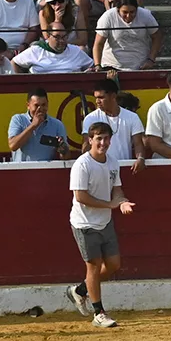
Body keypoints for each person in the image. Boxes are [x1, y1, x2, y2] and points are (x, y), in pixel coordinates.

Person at [64, 122, 131, 328]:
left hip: (104, 221)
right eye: (98, 138)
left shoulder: (112, 162)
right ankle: (98, 312)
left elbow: (117, 189)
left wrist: (121, 201)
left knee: (113, 265)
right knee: (93, 267)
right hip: (84, 223)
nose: (103, 142)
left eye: (106, 138)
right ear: (90, 140)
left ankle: (80, 291)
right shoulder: (82, 164)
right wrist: (109, 205)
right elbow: (80, 196)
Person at [81, 74, 143, 166]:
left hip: (123, 167)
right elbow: (86, 145)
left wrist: (140, 158)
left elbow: (138, 143)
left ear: (113, 96)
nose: (97, 101)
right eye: (96, 98)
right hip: (99, 168)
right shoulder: (90, 118)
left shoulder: (132, 117)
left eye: (101, 97)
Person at [93, 0, 158, 70]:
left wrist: (151, 60)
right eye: (125, 12)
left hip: (140, 67)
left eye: (132, 12)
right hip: (111, 66)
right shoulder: (108, 17)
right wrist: (97, 65)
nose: (128, 16)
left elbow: (157, 37)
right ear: (117, 9)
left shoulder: (146, 15)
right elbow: (98, 43)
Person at [8, 88, 71, 161]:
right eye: (36, 105)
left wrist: (63, 149)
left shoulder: (57, 125)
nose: (40, 109)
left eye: (43, 105)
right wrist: (33, 125)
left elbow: (66, 157)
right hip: (22, 170)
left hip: (46, 170)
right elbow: (13, 145)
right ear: (28, 105)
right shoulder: (18, 120)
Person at [14, 23, 91, 72]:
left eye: (64, 37)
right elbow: (14, 63)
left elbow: (91, 67)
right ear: (48, 36)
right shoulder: (36, 50)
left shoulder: (75, 51)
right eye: (57, 37)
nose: (61, 41)